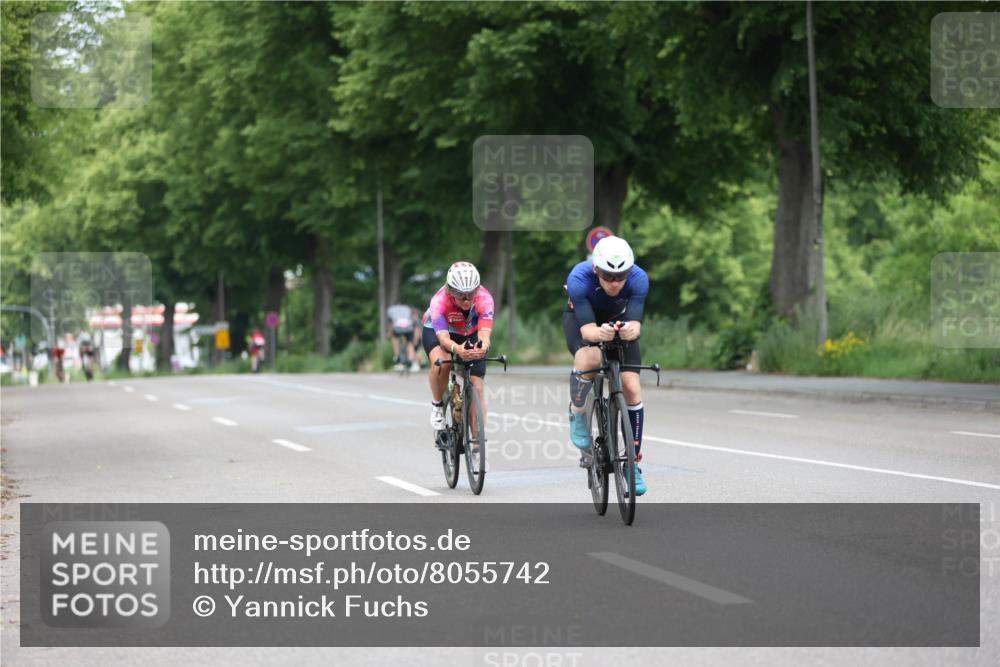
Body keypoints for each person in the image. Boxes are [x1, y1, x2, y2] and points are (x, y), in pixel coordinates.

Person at [563, 236, 650, 495]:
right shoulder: (579, 278)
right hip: (584, 321)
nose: (614, 283)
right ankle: (578, 412)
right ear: (595, 269)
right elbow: (588, 330)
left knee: (631, 387)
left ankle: (632, 463)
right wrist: (599, 332)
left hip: (618, 323)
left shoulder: (639, 278)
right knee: (589, 359)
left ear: (629, 271)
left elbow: (635, 325)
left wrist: (629, 330)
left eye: (620, 276)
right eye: (608, 276)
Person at [422, 261, 494, 433]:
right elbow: (444, 338)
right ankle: (437, 404)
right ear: (450, 291)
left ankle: (476, 447)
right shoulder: (439, 301)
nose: (467, 300)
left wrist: (483, 346)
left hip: (469, 331)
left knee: (478, 387)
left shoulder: (484, 298)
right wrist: (458, 350)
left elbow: (484, 333)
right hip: (440, 330)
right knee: (442, 363)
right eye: (461, 295)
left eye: (471, 294)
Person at [386, 303, 420, 372]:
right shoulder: (407, 308)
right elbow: (414, 321)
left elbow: (389, 323)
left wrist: (389, 332)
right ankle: (410, 360)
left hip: (397, 327)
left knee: (395, 337)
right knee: (410, 342)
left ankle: (397, 356)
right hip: (408, 326)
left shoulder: (390, 310)